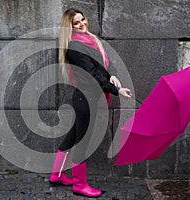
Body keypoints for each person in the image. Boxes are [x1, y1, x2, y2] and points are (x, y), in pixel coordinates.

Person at [49, 8, 132, 198]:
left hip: (87, 97)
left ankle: (57, 175)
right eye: (76, 23)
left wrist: (111, 77)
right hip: (85, 98)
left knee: (73, 137)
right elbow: (92, 74)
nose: (82, 24)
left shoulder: (90, 41)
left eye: (82, 20)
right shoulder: (75, 47)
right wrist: (116, 90)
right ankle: (79, 185)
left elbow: (100, 68)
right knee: (82, 142)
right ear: (69, 27)